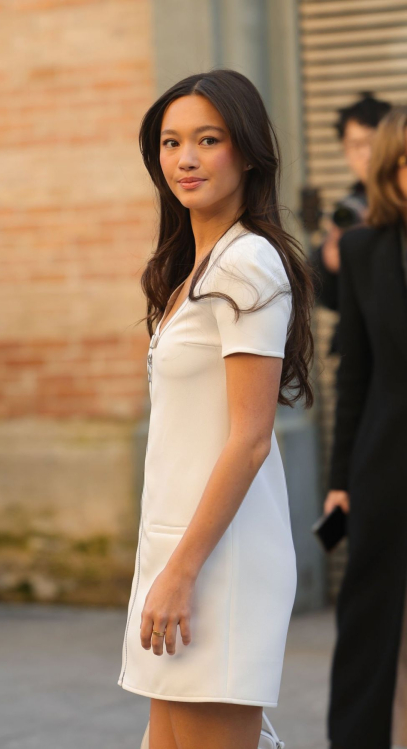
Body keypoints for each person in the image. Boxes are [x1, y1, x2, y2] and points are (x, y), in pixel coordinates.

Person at [116, 69, 315, 749]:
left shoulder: (248, 264)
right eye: (172, 142)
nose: (187, 158)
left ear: (248, 151)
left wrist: (181, 572)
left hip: (216, 566)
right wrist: (164, 567)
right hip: (178, 555)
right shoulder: (191, 268)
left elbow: (250, 439)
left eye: (209, 139)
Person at [323, 105, 407, 749]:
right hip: (388, 467)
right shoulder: (363, 249)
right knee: (373, 621)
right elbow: (354, 373)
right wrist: (340, 479)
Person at [310, 92, 391, 355]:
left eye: (373, 141)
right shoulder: (348, 210)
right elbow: (329, 298)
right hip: (364, 349)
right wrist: (330, 263)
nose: (366, 154)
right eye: (355, 145)